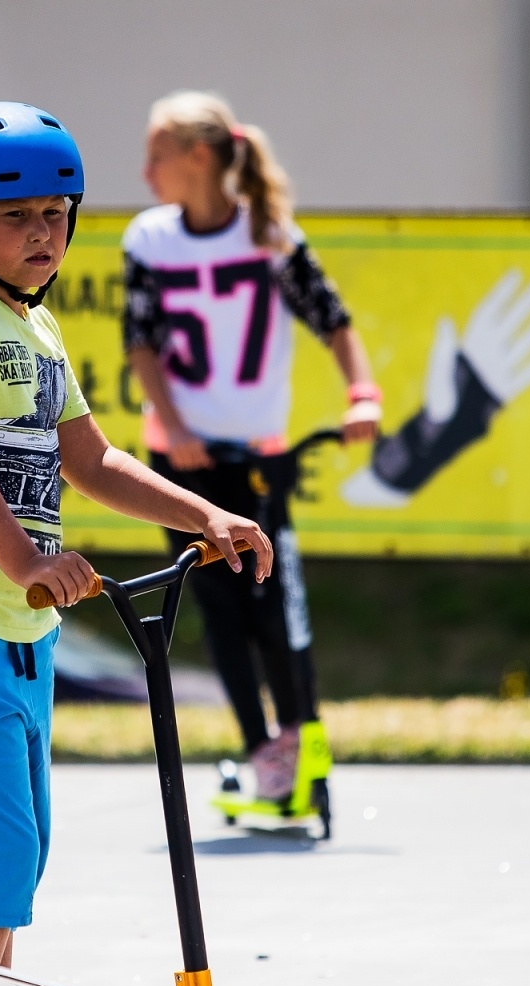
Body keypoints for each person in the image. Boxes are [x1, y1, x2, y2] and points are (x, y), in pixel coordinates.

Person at [0, 101, 274, 968]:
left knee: (16, 860)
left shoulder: (36, 326)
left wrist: (207, 516)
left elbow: (92, 459)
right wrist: (29, 561)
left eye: (57, 213)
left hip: (17, 631)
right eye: (15, 216)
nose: (43, 233)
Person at [122, 91, 381, 802]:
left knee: (275, 601)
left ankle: (302, 747)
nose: (145, 173)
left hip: (257, 458)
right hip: (184, 463)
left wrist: (363, 394)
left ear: (198, 157)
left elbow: (334, 320)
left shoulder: (270, 236)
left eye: (157, 157)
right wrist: (174, 426)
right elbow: (139, 342)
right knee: (218, 609)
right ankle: (262, 753)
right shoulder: (148, 240)